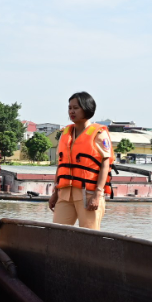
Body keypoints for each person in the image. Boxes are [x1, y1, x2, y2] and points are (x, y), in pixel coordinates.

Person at [48, 91, 114, 230]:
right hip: (65, 194)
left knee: (89, 236)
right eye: (70, 108)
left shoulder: (99, 134)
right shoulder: (65, 134)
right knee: (57, 233)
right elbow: (61, 165)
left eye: (76, 108)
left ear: (86, 108)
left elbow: (105, 165)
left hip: (88, 194)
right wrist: (55, 193)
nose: (71, 111)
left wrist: (97, 194)